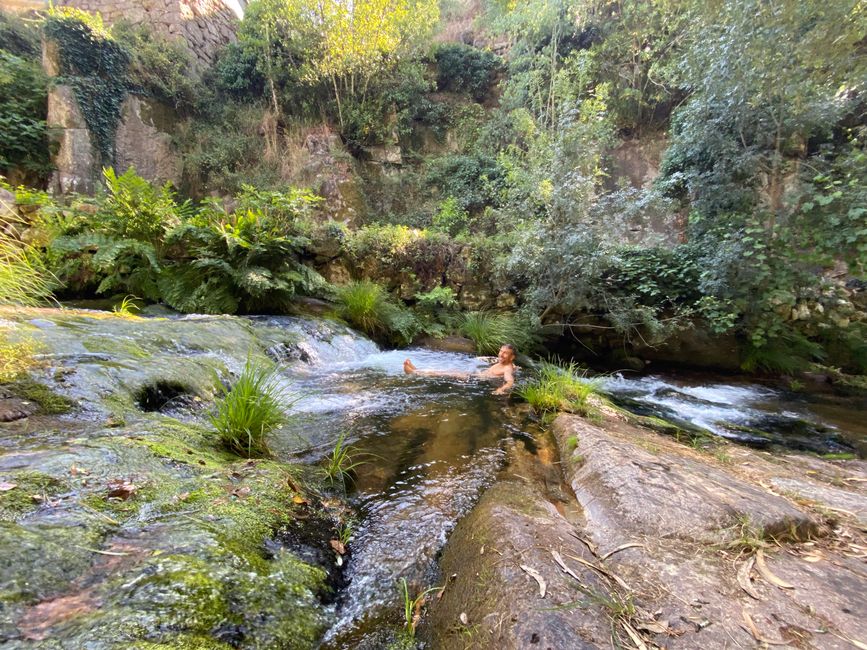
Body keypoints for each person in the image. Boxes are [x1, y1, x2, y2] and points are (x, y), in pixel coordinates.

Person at [404, 344, 517, 395]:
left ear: (511, 357)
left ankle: (414, 372)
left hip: (475, 381)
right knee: (448, 371)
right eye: (501, 351)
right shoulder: (506, 364)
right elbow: (511, 367)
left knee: (445, 373)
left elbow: (510, 380)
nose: (501, 355)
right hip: (475, 377)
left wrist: (501, 390)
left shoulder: (507, 368)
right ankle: (416, 370)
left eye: (505, 353)